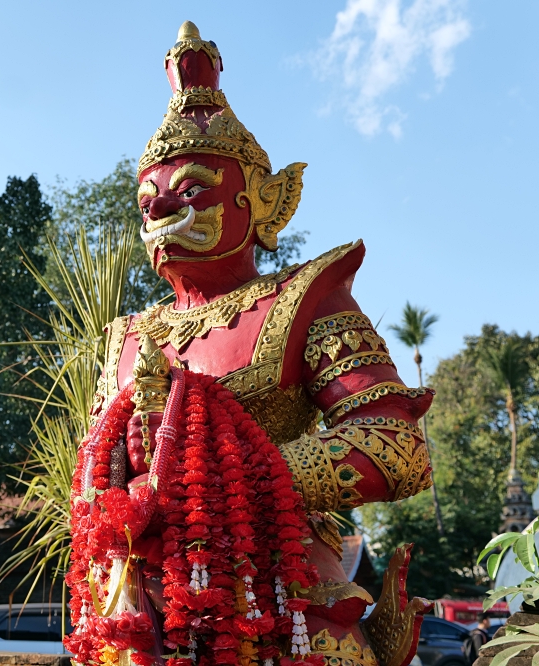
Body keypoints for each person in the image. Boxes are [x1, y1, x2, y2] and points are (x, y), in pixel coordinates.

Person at [63, 19, 436, 666]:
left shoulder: (306, 302)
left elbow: (396, 448)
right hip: (139, 613)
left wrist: (232, 473)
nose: (158, 211)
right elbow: (101, 472)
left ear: (265, 202)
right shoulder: (125, 336)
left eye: (193, 192)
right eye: (148, 199)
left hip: (280, 601)